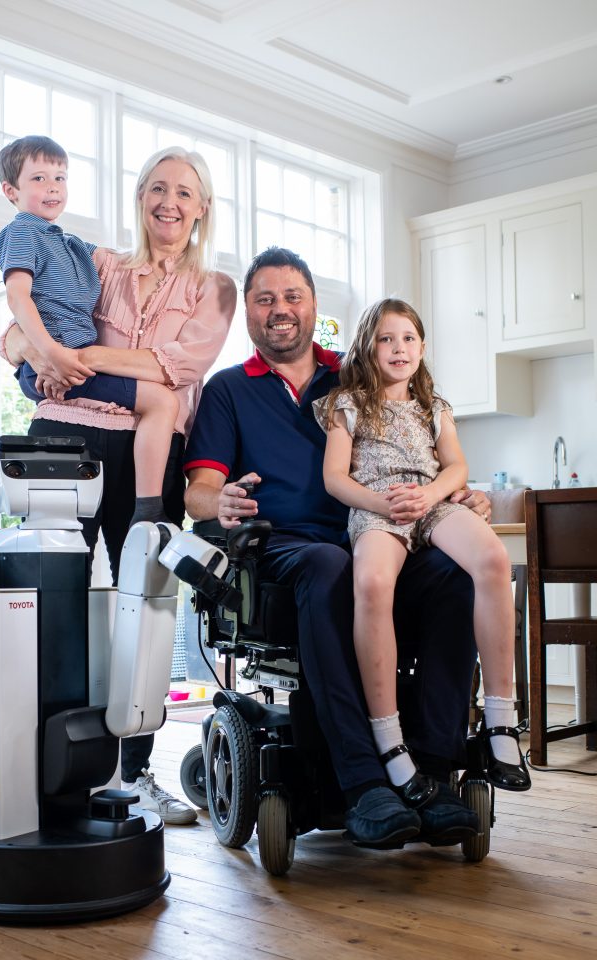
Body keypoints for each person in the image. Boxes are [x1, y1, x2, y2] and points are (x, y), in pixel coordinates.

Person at [184, 247, 490, 849]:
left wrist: (458, 500)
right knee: (329, 567)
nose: (280, 310)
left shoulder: (355, 378)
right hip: (288, 548)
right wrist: (215, 503)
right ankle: (362, 783)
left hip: (381, 535)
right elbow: (198, 491)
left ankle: (431, 770)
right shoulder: (226, 390)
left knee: (456, 576)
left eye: (292, 296)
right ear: (248, 310)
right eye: (265, 299)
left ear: (314, 306)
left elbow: (420, 451)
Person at [1, 146, 237, 823]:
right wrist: (30, 348)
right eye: (157, 188)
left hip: (148, 449)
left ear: (202, 209)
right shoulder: (95, 262)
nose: (169, 201)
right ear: (139, 197)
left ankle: (135, 774)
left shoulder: (215, 288)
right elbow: (18, 328)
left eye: (184, 192)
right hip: (65, 433)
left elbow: (176, 365)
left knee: (148, 606)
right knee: (54, 605)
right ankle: (48, 766)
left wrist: (88, 357)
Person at [316, 298, 530, 803]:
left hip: (430, 502)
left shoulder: (434, 407)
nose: (399, 348)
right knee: (370, 582)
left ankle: (502, 720)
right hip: (377, 506)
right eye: (387, 338)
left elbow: (456, 467)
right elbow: (334, 479)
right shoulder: (346, 403)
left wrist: (430, 496)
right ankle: (389, 740)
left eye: (409, 338)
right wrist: (385, 507)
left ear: (423, 348)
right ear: (369, 347)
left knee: (495, 560)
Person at [0, 135, 179, 527]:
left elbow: (115, 261)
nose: (53, 188)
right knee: (162, 402)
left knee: (161, 403)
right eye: (39, 179)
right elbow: (18, 299)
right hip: (58, 360)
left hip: (71, 358)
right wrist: (49, 353)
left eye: (60, 178)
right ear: (11, 191)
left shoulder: (68, 244)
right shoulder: (22, 233)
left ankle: (146, 505)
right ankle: (149, 506)